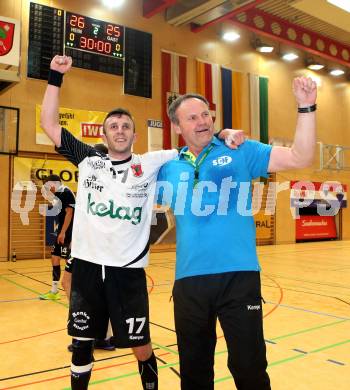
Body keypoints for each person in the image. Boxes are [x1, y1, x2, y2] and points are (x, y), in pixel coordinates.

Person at [41, 54, 244, 390]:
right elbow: (49, 124)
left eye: (125, 126)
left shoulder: (151, 162)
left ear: (135, 134)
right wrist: (55, 77)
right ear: (104, 135)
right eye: (113, 127)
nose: (119, 131)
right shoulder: (89, 161)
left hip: (128, 273)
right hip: (89, 268)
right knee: (80, 346)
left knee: (141, 347)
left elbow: (197, 140)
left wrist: (222, 132)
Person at [156, 79, 317, 390]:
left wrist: (306, 107)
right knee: (194, 372)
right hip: (189, 283)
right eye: (192, 117)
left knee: (249, 369)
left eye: (206, 115)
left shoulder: (240, 150)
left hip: (239, 278)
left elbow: (301, 157)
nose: (202, 121)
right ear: (177, 126)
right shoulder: (167, 165)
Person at [39, 174, 75, 300]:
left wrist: (63, 232)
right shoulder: (57, 195)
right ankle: (54, 291)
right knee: (54, 258)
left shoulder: (66, 192)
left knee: (68, 261)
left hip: (70, 232)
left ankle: (75, 289)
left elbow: (69, 213)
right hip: (61, 230)